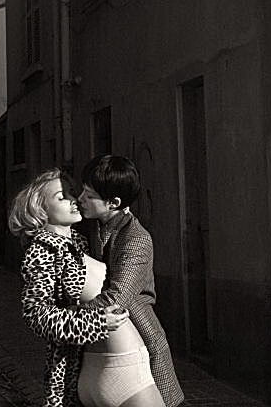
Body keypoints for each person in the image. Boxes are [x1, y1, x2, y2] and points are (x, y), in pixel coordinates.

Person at [8, 168, 164, 407]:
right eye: (61, 197)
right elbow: (35, 315)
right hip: (120, 369)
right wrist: (95, 323)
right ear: (40, 210)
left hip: (107, 365)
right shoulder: (42, 250)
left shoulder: (81, 242)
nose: (74, 200)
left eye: (73, 192)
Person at [78, 154, 184, 407]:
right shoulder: (91, 226)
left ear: (113, 202)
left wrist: (72, 317)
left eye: (89, 195)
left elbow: (118, 297)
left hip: (138, 328)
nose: (80, 199)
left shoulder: (136, 238)